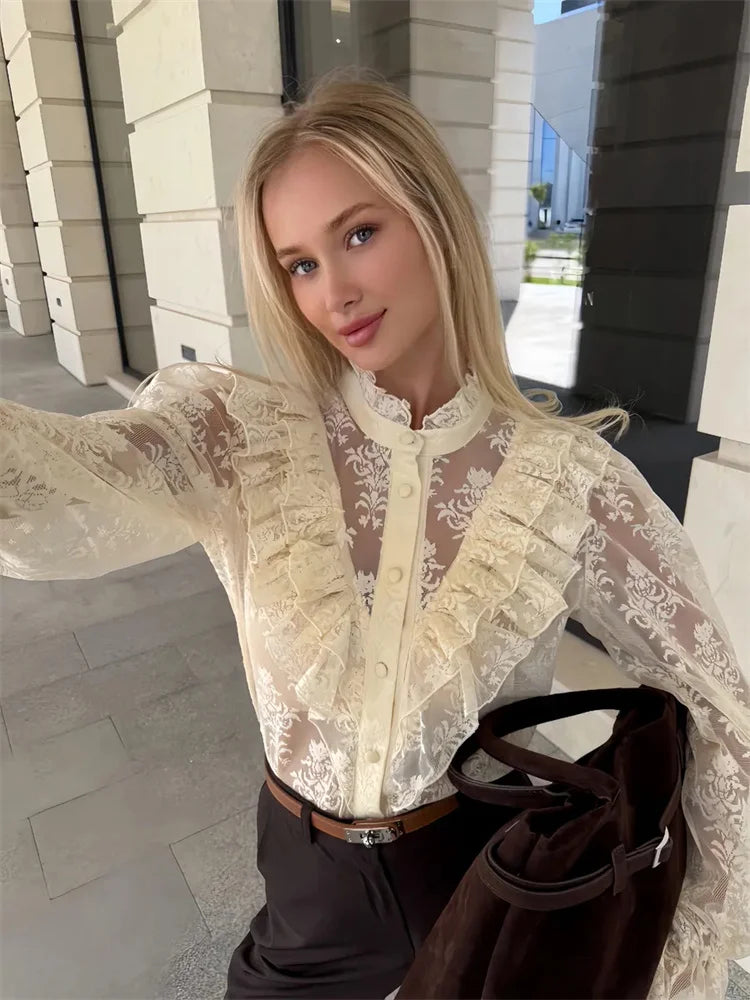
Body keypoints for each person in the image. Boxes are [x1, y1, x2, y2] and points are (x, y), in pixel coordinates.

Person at [0, 67, 748, 1000]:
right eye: (300, 264)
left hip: (485, 882)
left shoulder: (571, 484)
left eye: (360, 233)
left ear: (434, 219)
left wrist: (677, 951)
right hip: (308, 897)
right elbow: (50, 488)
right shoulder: (242, 438)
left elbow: (725, 712)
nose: (335, 292)